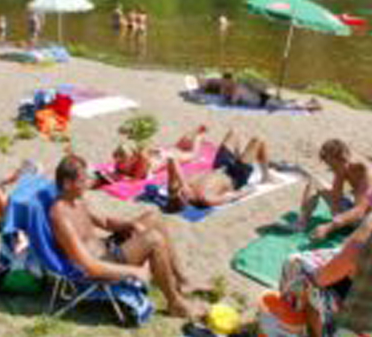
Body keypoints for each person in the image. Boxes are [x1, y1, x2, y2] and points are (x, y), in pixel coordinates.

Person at [49, 154, 206, 319]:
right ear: (67, 183)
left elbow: (105, 221)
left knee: (154, 217)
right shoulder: (61, 217)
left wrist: (129, 224)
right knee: (153, 240)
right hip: (101, 267)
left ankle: (183, 281)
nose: (88, 184)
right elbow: (89, 265)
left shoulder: (77, 200)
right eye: (82, 181)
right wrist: (134, 271)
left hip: (107, 249)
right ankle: (176, 304)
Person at [278, 183, 372, 337]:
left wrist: (363, 229)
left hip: (352, 314)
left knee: (295, 265)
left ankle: (296, 326)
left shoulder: (359, 248)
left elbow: (321, 279)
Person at [294, 139, 372, 240]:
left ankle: (303, 224)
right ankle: (301, 223)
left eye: (333, 166)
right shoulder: (344, 165)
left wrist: (329, 227)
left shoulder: (365, 171)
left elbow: (359, 212)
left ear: (342, 158)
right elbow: (336, 198)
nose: (332, 169)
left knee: (352, 208)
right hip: (354, 214)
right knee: (314, 183)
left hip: (366, 221)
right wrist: (336, 212)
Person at [165, 128, 272, 211]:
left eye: (179, 194)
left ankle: (239, 157)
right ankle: (266, 176)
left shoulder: (178, 186)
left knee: (234, 132)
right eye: (184, 199)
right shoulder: (206, 198)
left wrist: (183, 184)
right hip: (235, 175)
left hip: (220, 166)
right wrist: (249, 191)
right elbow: (232, 197)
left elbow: (172, 159)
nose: (182, 194)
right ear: (186, 204)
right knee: (258, 140)